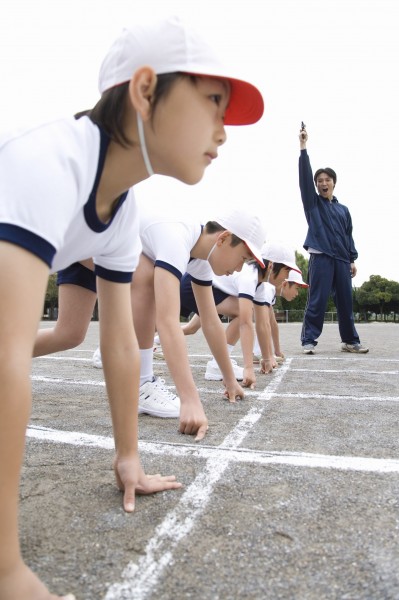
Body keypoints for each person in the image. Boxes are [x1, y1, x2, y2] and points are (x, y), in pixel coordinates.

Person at [0, 16, 264, 600]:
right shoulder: (48, 162)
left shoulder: (122, 212)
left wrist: (128, 458)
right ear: (145, 91)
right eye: (213, 103)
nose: (223, 131)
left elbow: (120, 341)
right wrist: (7, 571)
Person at [93, 207, 266, 430]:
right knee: (147, 278)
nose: (240, 268)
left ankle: (106, 350)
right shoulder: (177, 239)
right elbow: (167, 322)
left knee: (68, 334)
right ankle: (141, 380)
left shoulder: (200, 258)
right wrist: (190, 401)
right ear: (223, 238)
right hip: (87, 238)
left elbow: (211, 321)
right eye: (243, 258)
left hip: (104, 246)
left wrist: (230, 378)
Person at [180, 240, 300, 388]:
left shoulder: (262, 285)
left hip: (215, 290)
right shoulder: (249, 277)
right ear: (271, 266)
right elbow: (245, 322)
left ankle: (153, 339)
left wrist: (267, 358)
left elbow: (263, 324)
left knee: (189, 328)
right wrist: (248, 368)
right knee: (243, 312)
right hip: (194, 285)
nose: (287, 277)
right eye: (286, 271)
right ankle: (217, 364)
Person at [298, 127, 369, 355]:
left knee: (346, 303)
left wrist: (352, 259)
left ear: (334, 183)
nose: (322, 183)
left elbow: (348, 235)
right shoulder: (313, 204)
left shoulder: (343, 210)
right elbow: (304, 181)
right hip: (321, 258)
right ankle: (309, 340)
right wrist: (303, 148)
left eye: (327, 179)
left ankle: (350, 341)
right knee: (317, 301)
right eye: (319, 180)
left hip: (341, 260)